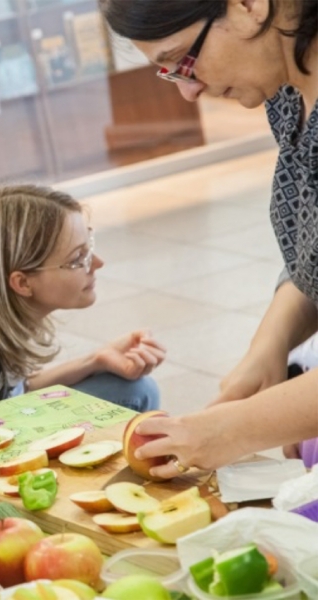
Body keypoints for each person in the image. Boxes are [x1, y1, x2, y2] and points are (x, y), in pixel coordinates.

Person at [99, 0, 318, 477]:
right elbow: (312, 254)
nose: (189, 90)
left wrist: (234, 430)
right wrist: (271, 344)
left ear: (248, 6)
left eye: (183, 60)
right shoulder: (286, 95)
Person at [0, 184, 165, 412]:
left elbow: (18, 392)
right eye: (78, 258)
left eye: (89, 248)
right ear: (23, 283)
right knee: (137, 392)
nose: (98, 263)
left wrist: (96, 360)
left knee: (135, 389)